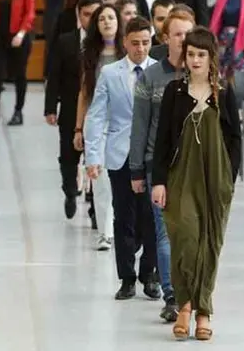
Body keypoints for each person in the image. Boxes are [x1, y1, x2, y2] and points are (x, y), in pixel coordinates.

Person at [151, 26, 241, 341]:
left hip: (216, 178)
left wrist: (230, 179)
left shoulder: (225, 91)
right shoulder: (174, 93)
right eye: (191, 54)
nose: (195, 60)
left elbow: (235, 138)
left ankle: (202, 311)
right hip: (181, 176)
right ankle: (186, 303)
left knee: (211, 242)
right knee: (185, 236)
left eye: (201, 54)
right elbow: (161, 140)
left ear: (211, 57)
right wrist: (158, 181)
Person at [84, 17, 159, 300]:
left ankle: (149, 274)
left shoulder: (159, 72)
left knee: (151, 218)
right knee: (123, 217)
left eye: (146, 42)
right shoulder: (110, 73)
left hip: (151, 156)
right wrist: (93, 156)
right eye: (135, 43)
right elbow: (97, 115)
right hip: (120, 154)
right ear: (125, 42)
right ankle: (126, 277)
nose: (140, 48)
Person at [129, 9, 195, 323]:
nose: (184, 40)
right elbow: (140, 126)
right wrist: (137, 170)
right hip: (161, 166)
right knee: (165, 233)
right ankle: (172, 296)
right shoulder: (151, 77)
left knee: (192, 235)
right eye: (178, 34)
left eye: (188, 33)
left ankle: (192, 294)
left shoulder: (201, 73)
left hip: (194, 166)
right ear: (165, 38)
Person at [45, 0, 102, 218]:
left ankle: (95, 203)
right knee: (68, 155)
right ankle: (70, 191)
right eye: (87, 14)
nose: (92, 19)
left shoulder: (108, 45)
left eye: (95, 14)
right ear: (79, 15)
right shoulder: (65, 41)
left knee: (95, 156)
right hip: (70, 107)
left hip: (98, 110)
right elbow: (55, 75)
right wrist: (50, 107)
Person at [73, 3, 125, 250]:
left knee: (121, 179)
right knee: (100, 178)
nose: (106, 22)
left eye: (111, 17)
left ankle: (120, 228)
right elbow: (84, 93)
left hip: (123, 120)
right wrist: (78, 128)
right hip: (98, 120)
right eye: (102, 18)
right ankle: (105, 232)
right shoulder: (90, 54)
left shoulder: (128, 51)